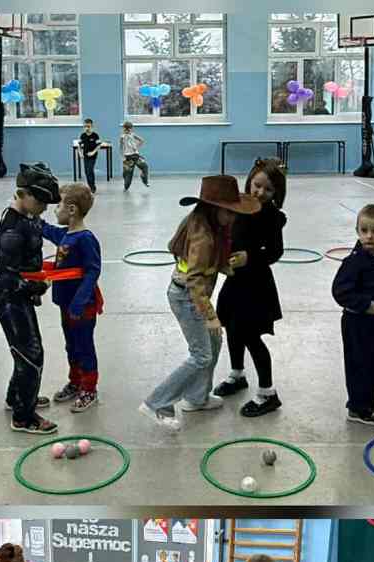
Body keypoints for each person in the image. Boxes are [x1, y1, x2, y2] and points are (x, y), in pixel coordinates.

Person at [139, 176, 260, 431]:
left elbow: (188, 255)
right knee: (201, 355)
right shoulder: (204, 236)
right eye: (230, 212)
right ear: (214, 208)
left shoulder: (202, 220)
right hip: (187, 297)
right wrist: (210, 316)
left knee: (214, 342)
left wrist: (226, 263)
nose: (234, 217)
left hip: (190, 293)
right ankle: (157, 403)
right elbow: (194, 279)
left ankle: (197, 398)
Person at [0, 162, 60, 434]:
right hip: (9, 297)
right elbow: (9, 277)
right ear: (23, 194)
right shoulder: (11, 230)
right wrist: (36, 286)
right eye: (40, 201)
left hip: (19, 293)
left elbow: (42, 231)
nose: (44, 207)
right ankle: (23, 417)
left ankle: (17, 397)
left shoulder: (29, 216)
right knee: (31, 354)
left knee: (22, 351)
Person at [214, 157, 287, 417]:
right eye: (257, 185)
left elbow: (275, 251)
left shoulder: (273, 217)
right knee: (233, 329)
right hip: (235, 280)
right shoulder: (238, 206)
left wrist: (250, 257)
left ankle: (268, 393)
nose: (260, 192)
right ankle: (237, 375)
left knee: (251, 336)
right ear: (249, 182)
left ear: (276, 193)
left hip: (256, 286)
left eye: (268, 189)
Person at [41, 183, 103, 412]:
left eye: (58, 205)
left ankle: (89, 389)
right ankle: (76, 381)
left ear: (72, 210)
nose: (55, 209)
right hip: (65, 304)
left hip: (82, 307)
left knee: (84, 346)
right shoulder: (65, 235)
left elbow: (93, 271)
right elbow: (47, 230)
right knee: (71, 345)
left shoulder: (85, 239)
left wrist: (79, 302)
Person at [331, 204, 374, 426]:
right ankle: (357, 408)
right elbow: (339, 291)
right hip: (356, 322)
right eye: (364, 230)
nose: (369, 236)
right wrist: (364, 304)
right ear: (357, 231)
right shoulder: (354, 262)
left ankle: (368, 400)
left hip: (373, 322)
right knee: (359, 365)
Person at [119, 121, 149, 190]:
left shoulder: (133, 135)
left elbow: (142, 140)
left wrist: (136, 147)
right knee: (128, 175)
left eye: (129, 128)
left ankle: (144, 180)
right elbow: (121, 147)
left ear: (131, 129)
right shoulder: (122, 136)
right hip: (128, 157)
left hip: (135, 156)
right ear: (124, 128)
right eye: (125, 129)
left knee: (145, 166)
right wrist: (122, 156)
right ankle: (126, 186)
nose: (127, 130)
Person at [78, 118, 101, 194]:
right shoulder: (83, 135)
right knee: (86, 172)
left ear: (92, 126)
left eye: (88, 126)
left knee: (90, 170)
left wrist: (93, 152)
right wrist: (80, 153)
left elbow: (99, 145)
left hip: (93, 156)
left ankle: (92, 187)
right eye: (85, 126)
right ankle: (90, 186)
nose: (87, 128)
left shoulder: (95, 135)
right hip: (85, 156)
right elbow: (79, 146)